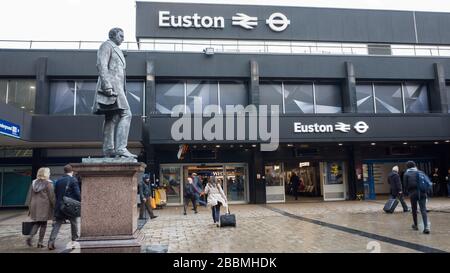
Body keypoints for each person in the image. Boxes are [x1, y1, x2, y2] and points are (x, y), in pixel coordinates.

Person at [93, 27, 136, 158]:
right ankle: (121, 148)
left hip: (117, 87)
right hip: (112, 86)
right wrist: (107, 86)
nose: (123, 38)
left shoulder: (117, 49)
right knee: (126, 114)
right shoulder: (106, 45)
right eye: (120, 35)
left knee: (111, 117)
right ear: (113, 35)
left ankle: (108, 149)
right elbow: (101, 65)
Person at [48, 164, 81, 250]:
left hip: (60, 206)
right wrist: (81, 201)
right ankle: (74, 241)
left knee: (57, 224)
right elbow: (77, 194)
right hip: (70, 206)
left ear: (64, 171)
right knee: (74, 224)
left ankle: (51, 242)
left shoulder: (59, 180)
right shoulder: (73, 180)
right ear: (72, 171)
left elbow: (56, 192)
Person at [26, 167, 55, 248]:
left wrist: (29, 207)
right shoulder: (48, 183)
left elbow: (30, 195)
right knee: (43, 224)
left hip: (34, 205)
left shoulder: (34, 183)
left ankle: (30, 237)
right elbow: (52, 197)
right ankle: (40, 242)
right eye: (49, 172)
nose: (50, 174)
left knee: (37, 222)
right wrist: (55, 206)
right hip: (44, 206)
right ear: (46, 174)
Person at [403, 161, 430, 234]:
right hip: (422, 193)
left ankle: (415, 225)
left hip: (413, 194)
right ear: (414, 166)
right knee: (423, 209)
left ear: (407, 167)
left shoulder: (406, 174)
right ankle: (426, 227)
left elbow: (405, 186)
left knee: (414, 210)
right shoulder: (420, 172)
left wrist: (407, 192)